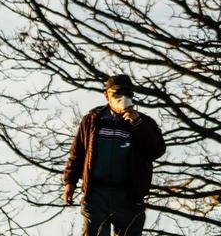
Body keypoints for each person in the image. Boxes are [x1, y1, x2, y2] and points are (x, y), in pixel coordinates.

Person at [63, 74, 166, 236]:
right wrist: (70, 182)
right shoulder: (92, 120)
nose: (122, 98)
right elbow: (77, 152)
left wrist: (138, 124)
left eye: (127, 94)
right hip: (96, 192)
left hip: (128, 195)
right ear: (106, 95)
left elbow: (156, 151)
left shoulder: (145, 122)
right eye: (117, 94)